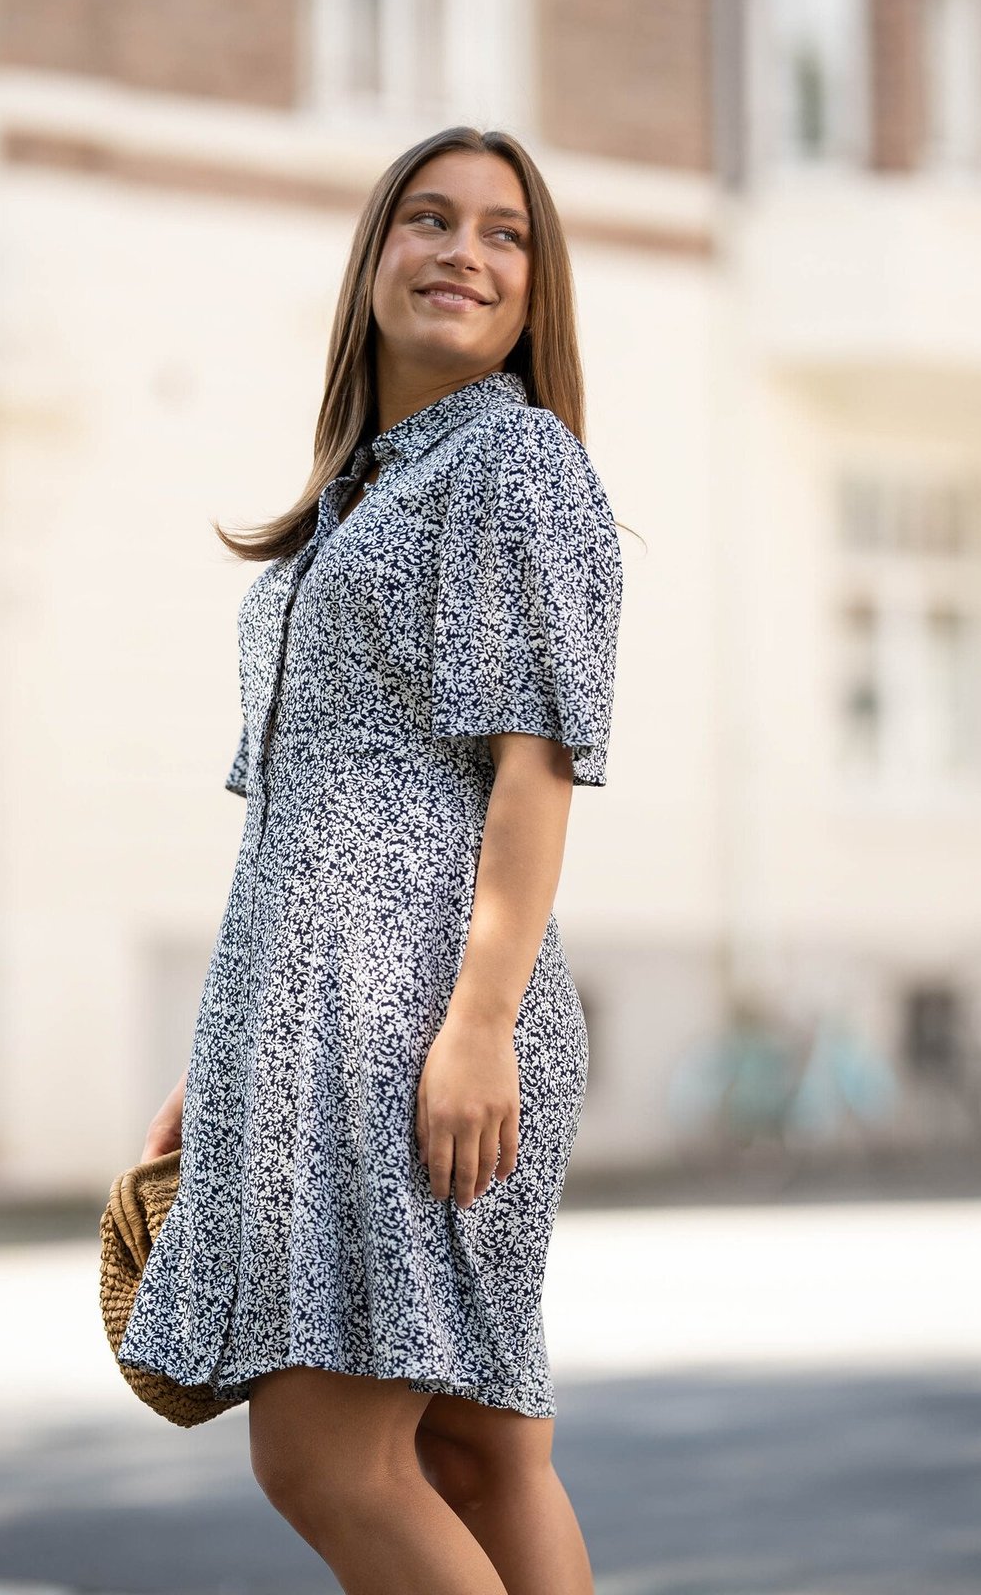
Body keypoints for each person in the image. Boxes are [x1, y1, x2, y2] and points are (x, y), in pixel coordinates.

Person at [117, 124, 629, 1595]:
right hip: (312, 1024)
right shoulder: (358, 502)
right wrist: (220, 1065)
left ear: (537, 292)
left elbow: (538, 765)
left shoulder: (517, 462)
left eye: (505, 234)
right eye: (430, 219)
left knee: (325, 1460)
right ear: (375, 261)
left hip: (419, 1018)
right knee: (477, 1454)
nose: (465, 250)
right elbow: (288, 823)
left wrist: (476, 1022)